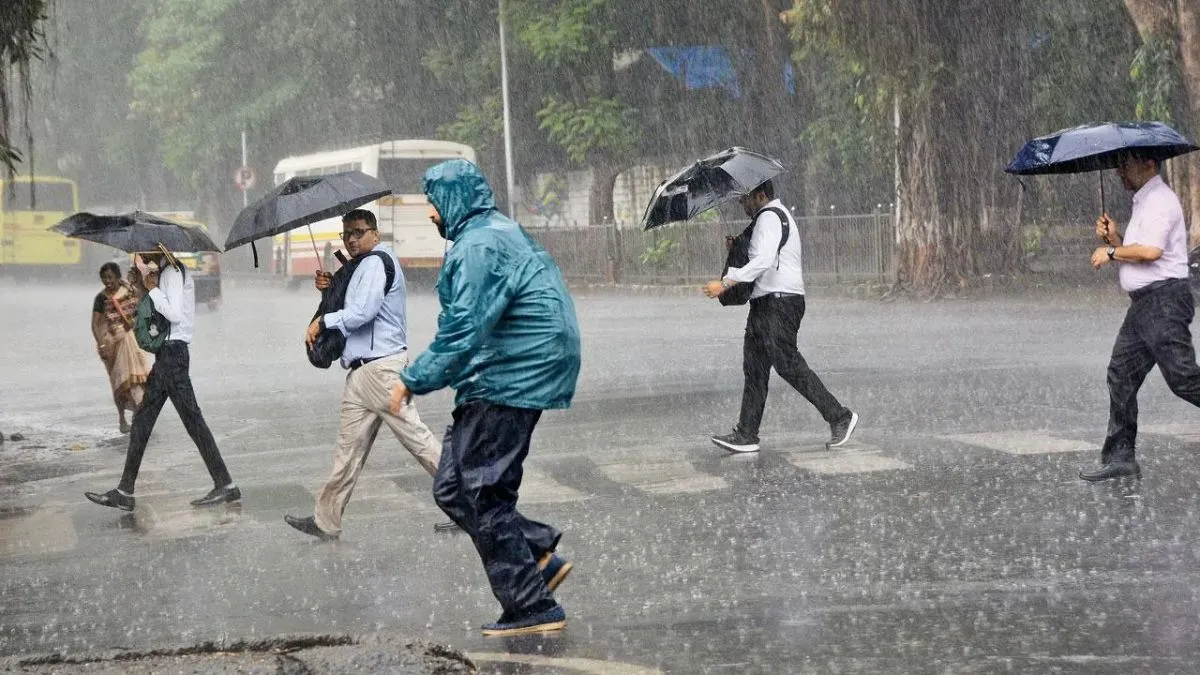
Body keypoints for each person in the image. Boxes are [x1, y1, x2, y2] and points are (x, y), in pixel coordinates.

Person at [391, 159, 581, 637]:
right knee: (452, 488)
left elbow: (465, 328)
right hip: (502, 372)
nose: (431, 215)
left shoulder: (477, 246)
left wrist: (413, 377)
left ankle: (531, 606)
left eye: (434, 204)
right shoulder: (489, 234)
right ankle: (535, 553)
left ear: (453, 200)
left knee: (485, 491)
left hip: (511, 375)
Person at [284, 209, 446, 540]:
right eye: (347, 234)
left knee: (419, 441)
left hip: (382, 369)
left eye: (359, 232)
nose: (353, 239)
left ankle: (475, 503)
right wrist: (329, 290)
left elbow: (362, 312)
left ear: (375, 232)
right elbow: (350, 301)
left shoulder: (375, 262)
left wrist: (323, 321)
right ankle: (326, 520)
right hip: (361, 374)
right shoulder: (360, 265)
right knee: (348, 452)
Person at [703, 180, 858, 453]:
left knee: (788, 365)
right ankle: (747, 434)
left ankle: (840, 416)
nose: (742, 204)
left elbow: (763, 261)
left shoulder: (770, 218)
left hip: (780, 303)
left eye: (746, 198)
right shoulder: (771, 218)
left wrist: (726, 282)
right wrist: (739, 247)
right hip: (766, 303)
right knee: (755, 370)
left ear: (761, 196)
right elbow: (761, 256)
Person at [84, 254, 240, 511]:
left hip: (173, 355)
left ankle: (225, 484)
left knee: (188, 421)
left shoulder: (174, 273)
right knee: (147, 421)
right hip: (167, 356)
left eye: (145, 252)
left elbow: (175, 314)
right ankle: (126, 490)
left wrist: (153, 288)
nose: (142, 256)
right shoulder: (164, 273)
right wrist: (144, 286)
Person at [1082, 150, 1200, 481]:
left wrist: (1110, 251)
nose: (1120, 171)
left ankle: (1121, 454)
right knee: (1121, 374)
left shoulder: (1161, 201)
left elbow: (1151, 252)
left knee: (1183, 378)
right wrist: (1116, 239)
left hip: (1164, 302)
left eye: (1126, 164)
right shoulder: (1144, 201)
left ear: (1149, 164)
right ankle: (1121, 456)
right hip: (1145, 305)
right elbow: (1139, 253)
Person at [91, 262, 149, 433]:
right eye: (104, 278)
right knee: (117, 382)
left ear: (117, 277)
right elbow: (95, 324)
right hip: (110, 346)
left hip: (130, 339)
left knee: (135, 377)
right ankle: (122, 419)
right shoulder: (101, 299)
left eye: (110, 277)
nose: (107, 281)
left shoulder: (129, 291)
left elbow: (143, 306)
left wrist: (138, 279)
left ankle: (139, 413)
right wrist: (101, 342)